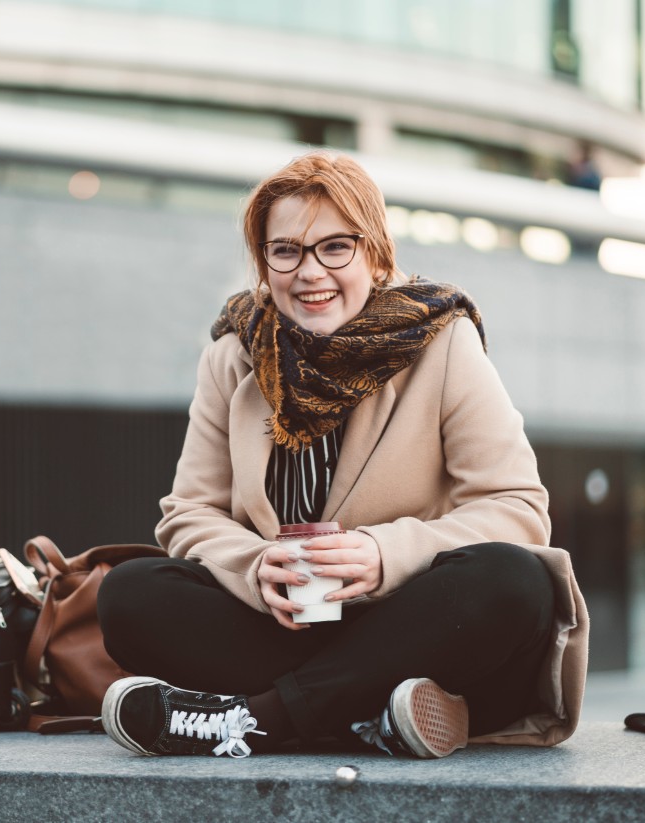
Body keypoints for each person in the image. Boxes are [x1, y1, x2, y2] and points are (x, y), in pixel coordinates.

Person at [97, 151, 588, 760]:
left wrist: (384, 555)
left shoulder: (443, 340)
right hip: (291, 631)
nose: (309, 271)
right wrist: (256, 569)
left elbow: (516, 506)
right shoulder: (233, 356)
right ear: (264, 262)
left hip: (411, 624)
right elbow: (188, 513)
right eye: (286, 250)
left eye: (335, 247)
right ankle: (373, 716)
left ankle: (257, 720)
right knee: (130, 593)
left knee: (516, 582)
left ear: (376, 254)